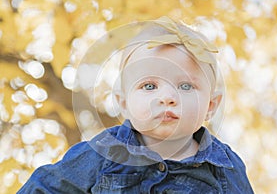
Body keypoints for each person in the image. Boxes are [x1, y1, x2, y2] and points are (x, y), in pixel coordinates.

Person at [18, 17, 254, 193]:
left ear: (211, 105)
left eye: (185, 86)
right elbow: (42, 187)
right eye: (149, 86)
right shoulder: (104, 152)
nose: (167, 97)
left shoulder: (224, 166)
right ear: (124, 103)